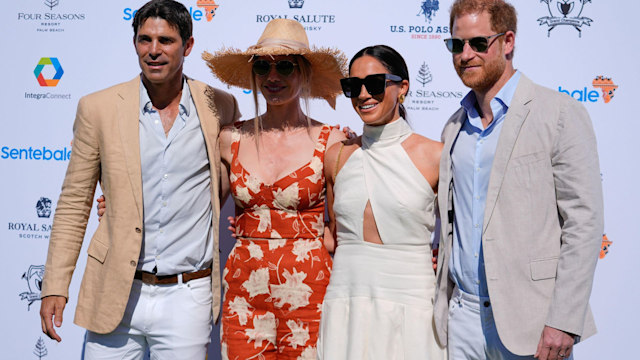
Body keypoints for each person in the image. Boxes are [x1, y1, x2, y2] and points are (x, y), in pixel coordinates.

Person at [38, 1, 240, 358]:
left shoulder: (218, 106)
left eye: (166, 40)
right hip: (116, 290)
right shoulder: (97, 108)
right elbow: (74, 202)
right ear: (134, 43)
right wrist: (55, 284)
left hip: (187, 296)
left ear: (187, 46)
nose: (154, 50)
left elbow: (229, 183)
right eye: (144, 39)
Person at [433, 1, 604, 359]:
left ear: (508, 41)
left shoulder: (558, 113)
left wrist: (564, 319)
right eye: (456, 45)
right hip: (462, 319)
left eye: (478, 43)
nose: (465, 55)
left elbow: (584, 223)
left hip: (533, 322)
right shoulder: (453, 127)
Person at [202, 19, 347, 359]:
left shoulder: (332, 142)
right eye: (263, 68)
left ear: (304, 74)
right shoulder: (229, 139)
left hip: (310, 294)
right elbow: (196, 204)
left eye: (285, 66)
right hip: (244, 293)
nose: (273, 77)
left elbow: (345, 226)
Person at [317, 45, 446, 360]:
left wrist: (443, 261)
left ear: (402, 88)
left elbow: (464, 232)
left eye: (374, 84)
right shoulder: (336, 155)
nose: (363, 94)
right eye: (353, 86)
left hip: (412, 300)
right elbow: (332, 234)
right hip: (346, 299)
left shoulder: (436, 155)